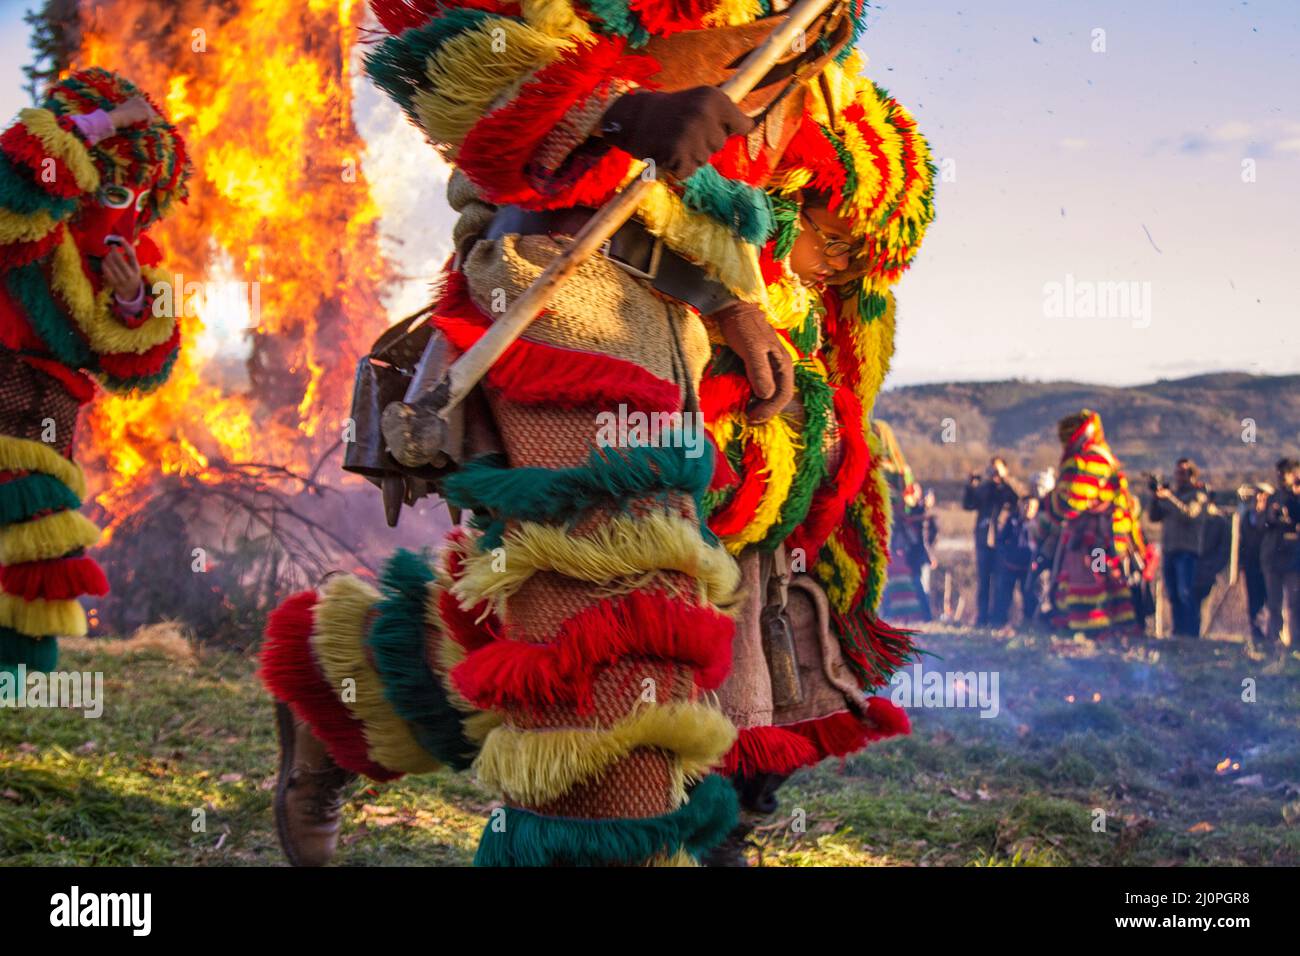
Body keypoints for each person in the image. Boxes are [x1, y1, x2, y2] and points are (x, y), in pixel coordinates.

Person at [259, 0, 925, 868]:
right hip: (558, 292)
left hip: (699, 329)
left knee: (702, 620)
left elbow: (750, 190)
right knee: (615, 639)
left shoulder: (816, 41)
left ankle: (337, 696)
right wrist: (620, 111)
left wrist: (740, 302)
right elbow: (448, 48)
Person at [0, 69, 191, 675]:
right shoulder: (27, 222)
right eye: (112, 189)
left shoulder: (136, 261)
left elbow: (136, 364)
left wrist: (133, 302)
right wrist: (108, 121)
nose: (123, 210)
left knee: (39, 557)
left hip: (51, 422)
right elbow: (20, 180)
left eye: (137, 195)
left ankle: (14, 691)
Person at [1042, 410, 1148, 639]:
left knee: (1092, 577)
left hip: (1094, 539)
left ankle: (1095, 627)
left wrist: (1050, 500)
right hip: (1106, 538)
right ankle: (1112, 627)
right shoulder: (1104, 456)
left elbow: (1069, 503)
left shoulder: (1088, 459)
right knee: (1106, 576)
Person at [1148, 458, 1209, 637]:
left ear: (1192, 475)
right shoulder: (1173, 495)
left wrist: (1169, 498)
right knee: (1173, 595)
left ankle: (1191, 634)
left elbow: (1189, 514)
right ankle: (1178, 632)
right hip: (1170, 550)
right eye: (1177, 473)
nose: (1179, 477)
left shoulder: (1198, 496)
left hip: (1187, 552)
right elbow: (1154, 516)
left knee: (1186, 594)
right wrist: (1155, 496)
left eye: (1184, 473)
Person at [962, 456, 1021, 626]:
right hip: (983, 540)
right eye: (992, 469)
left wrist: (1005, 479)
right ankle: (982, 618)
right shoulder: (985, 488)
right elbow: (968, 505)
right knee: (984, 581)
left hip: (1003, 541)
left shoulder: (1009, 488)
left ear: (1005, 470)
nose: (994, 473)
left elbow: (1020, 498)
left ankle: (999, 619)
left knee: (1001, 581)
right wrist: (970, 487)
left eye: (997, 469)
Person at [1262, 458, 1300, 656]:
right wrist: (1271, 514)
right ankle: (1273, 641)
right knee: (1274, 603)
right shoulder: (1273, 497)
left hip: (1295, 558)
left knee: (1295, 603)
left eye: (1283, 473)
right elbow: (1265, 524)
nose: (1280, 478)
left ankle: (1295, 642)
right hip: (1273, 557)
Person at [1238, 481, 1274, 647]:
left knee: (1272, 602)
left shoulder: (1272, 518)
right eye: (1257, 494)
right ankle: (1257, 636)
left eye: (1263, 494)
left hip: (1270, 565)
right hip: (1251, 565)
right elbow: (1242, 542)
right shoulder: (1246, 517)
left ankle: (1273, 636)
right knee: (1254, 602)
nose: (1259, 498)